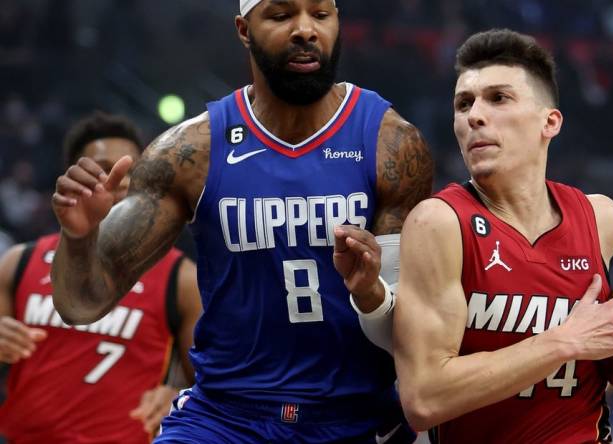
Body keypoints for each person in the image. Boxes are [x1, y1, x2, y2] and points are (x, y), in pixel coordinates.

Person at [50, 1, 433, 443]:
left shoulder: (392, 144)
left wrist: (371, 291)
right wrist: (78, 238)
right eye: (281, 15)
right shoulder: (188, 153)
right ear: (244, 30)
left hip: (357, 416)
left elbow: (405, 329)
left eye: (320, 15)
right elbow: (81, 304)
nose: (305, 30)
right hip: (225, 418)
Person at [392, 29, 613, 443]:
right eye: (464, 103)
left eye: (498, 98)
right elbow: (424, 399)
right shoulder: (440, 223)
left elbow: (590, 360)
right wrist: (562, 342)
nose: (474, 116)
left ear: (549, 122)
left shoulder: (600, 217)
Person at [0, 112, 202, 443]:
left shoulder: (181, 278)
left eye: (131, 170)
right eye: (105, 168)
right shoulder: (18, 262)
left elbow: (213, 384)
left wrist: (179, 396)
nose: (120, 179)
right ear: (70, 177)